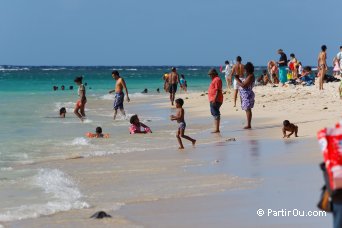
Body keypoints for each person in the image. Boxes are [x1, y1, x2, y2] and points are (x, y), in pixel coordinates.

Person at [234, 62, 255, 129]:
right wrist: (238, 79)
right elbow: (243, 83)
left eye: (245, 69)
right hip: (246, 94)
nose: (245, 71)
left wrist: (237, 79)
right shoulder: (249, 76)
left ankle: (249, 124)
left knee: (247, 109)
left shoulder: (251, 76)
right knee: (247, 109)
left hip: (247, 94)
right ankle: (248, 124)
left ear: (248, 69)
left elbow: (244, 85)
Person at [208, 68, 223, 133]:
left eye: (210, 75)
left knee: (216, 113)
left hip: (215, 99)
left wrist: (214, 98)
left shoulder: (217, 79)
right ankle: (216, 128)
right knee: (214, 113)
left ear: (213, 74)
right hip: (214, 99)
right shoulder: (215, 79)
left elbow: (217, 90)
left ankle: (217, 129)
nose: (209, 76)